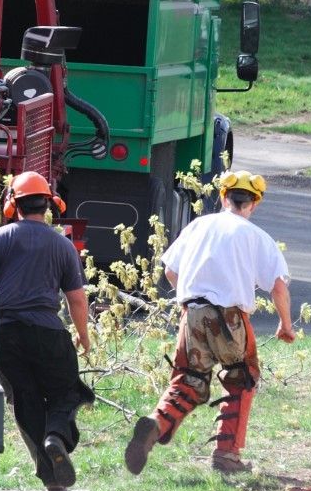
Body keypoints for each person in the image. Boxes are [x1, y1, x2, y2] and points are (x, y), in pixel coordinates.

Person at [124, 170, 294, 475]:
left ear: (223, 197)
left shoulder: (198, 226)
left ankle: (156, 423)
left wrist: (190, 300)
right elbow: (278, 287)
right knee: (242, 378)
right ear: (254, 203)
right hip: (229, 317)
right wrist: (286, 325)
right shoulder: (256, 237)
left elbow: (171, 272)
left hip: (192, 312)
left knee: (189, 379)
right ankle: (227, 456)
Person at [0, 170, 93, 491]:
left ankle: (52, 479)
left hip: (4, 335)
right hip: (47, 332)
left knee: (25, 401)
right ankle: (57, 436)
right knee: (67, 393)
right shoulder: (62, 245)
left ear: (13, 204)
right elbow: (77, 298)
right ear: (49, 204)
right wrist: (83, 335)